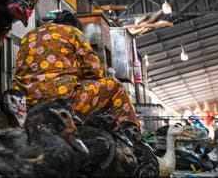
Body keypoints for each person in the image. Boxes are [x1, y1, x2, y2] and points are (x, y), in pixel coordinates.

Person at [12, 10, 140, 126]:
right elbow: (95, 70)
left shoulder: (30, 34)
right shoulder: (73, 32)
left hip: (25, 103)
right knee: (115, 87)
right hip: (63, 101)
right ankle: (132, 135)